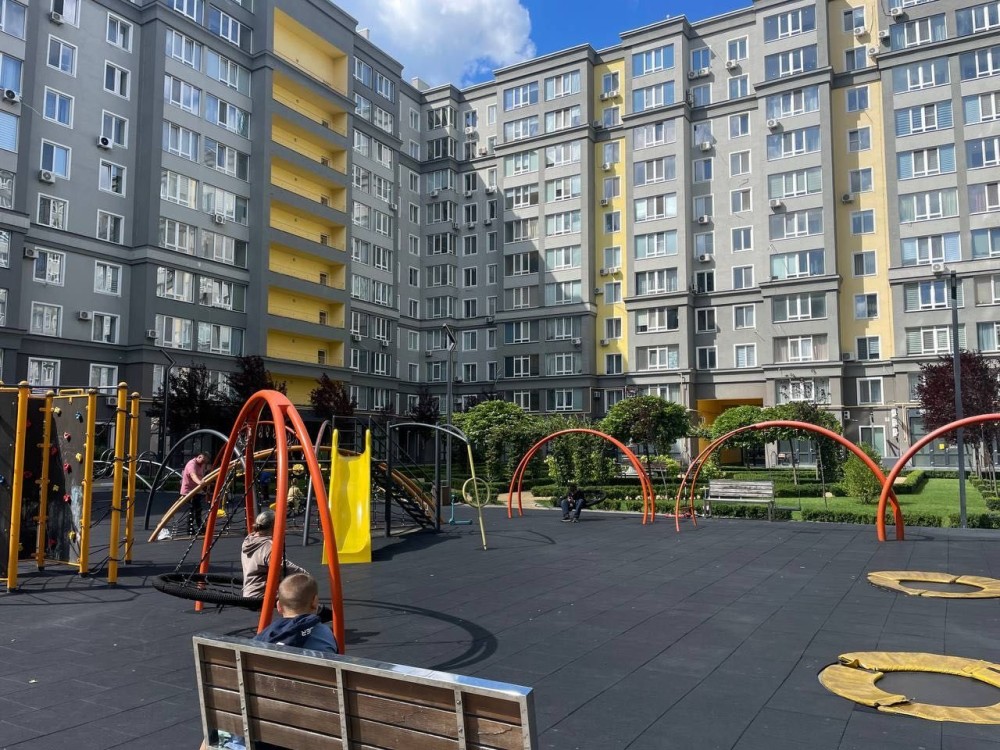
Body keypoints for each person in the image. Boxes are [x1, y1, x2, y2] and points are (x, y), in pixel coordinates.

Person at [201, 574, 337, 750]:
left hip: (262, 727)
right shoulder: (325, 635)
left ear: (279, 606)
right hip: (308, 726)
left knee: (211, 737)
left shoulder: (264, 639)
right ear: (315, 602)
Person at [241, 509, 308, 599]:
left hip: (248, 593)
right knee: (300, 599)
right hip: (262, 596)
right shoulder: (268, 546)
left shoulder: (249, 540)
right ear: (275, 526)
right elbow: (283, 566)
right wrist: (305, 575)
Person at [181, 452, 210, 536]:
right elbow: (193, 475)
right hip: (189, 491)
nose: (204, 463)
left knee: (198, 509)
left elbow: (201, 475)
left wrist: (204, 487)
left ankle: (201, 528)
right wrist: (200, 483)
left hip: (197, 490)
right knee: (192, 509)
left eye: (205, 462)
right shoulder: (192, 464)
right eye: (203, 460)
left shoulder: (201, 465)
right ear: (199, 457)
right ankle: (190, 529)